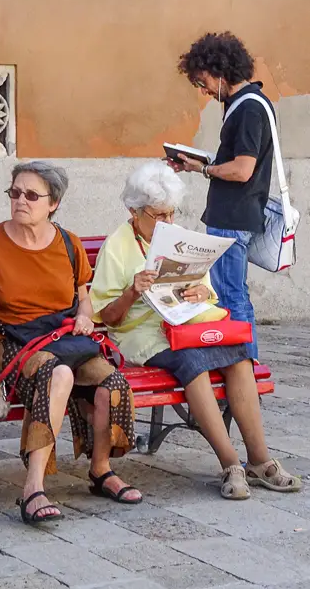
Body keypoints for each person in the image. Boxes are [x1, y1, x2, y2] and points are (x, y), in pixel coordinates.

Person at [90, 161, 301, 499]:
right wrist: (133, 291)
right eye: (159, 216)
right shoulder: (117, 245)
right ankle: (230, 463)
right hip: (142, 332)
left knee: (239, 357)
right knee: (194, 365)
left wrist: (201, 292)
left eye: (171, 214)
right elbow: (108, 318)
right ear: (134, 211)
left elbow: (205, 289)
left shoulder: (176, 236)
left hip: (186, 324)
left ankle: (260, 460)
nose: (168, 222)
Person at [0, 161, 142, 525]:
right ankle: (32, 488)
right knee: (57, 375)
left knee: (111, 382)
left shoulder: (68, 242)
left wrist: (83, 315)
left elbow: (84, 295)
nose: (20, 201)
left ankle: (101, 470)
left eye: (31, 195)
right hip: (17, 342)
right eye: (15, 193)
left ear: (53, 203)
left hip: (66, 337)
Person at [167, 31, 276, 361]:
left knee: (230, 296)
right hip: (232, 214)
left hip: (232, 217)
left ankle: (244, 371)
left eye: (203, 81)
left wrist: (203, 170)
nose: (202, 90)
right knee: (231, 294)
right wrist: (199, 163)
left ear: (220, 70)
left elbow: (243, 170)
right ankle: (243, 371)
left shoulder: (248, 110)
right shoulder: (242, 105)